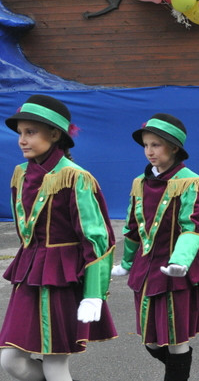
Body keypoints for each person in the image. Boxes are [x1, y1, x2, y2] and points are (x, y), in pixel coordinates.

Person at [0, 94, 117, 381]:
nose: (22, 140)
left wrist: (94, 293)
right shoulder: (20, 174)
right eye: (20, 133)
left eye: (31, 132)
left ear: (55, 135)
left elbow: (97, 239)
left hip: (61, 277)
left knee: (54, 366)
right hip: (28, 275)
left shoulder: (75, 177)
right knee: (11, 361)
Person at [111, 113, 199, 381]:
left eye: (156, 145)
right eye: (146, 145)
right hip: (145, 270)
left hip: (177, 271)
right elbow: (132, 227)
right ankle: (179, 370)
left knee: (176, 338)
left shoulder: (190, 182)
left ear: (174, 148)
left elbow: (193, 226)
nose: (149, 151)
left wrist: (180, 260)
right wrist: (127, 263)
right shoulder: (139, 183)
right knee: (151, 340)